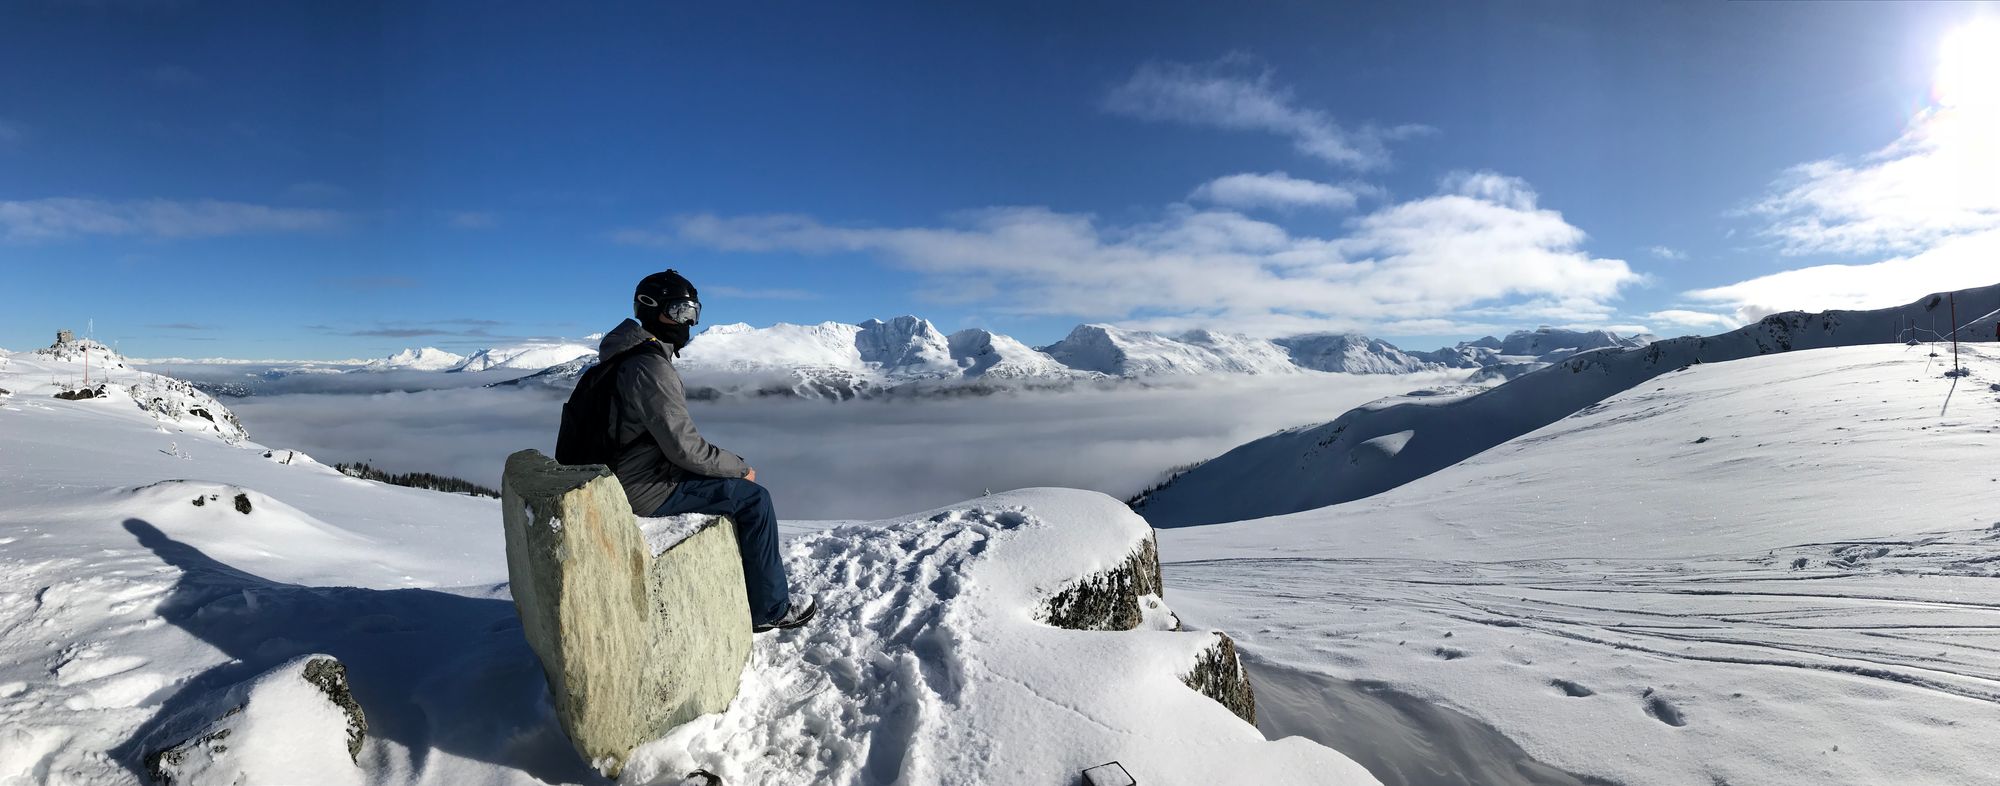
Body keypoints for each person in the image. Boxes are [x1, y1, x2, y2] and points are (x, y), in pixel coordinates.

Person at [596, 269, 816, 632]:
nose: (687, 323)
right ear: (651, 309)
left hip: (621, 474)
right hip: (640, 489)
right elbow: (686, 449)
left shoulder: (622, 355)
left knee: (730, 487)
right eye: (679, 312)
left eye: (692, 313)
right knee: (754, 500)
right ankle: (770, 610)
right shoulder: (650, 367)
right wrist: (739, 467)